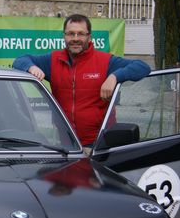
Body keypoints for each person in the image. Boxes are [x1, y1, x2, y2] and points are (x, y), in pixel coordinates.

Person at [13, 14, 150, 146]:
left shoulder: (105, 61)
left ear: (89, 37)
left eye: (81, 34)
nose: (75, 38)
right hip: (67, 145)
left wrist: (114, 76)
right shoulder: (53, 60)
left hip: (99, 144)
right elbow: (20, 60)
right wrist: (31, 67)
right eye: (71, 33)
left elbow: (142, 67)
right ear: (64, 36)